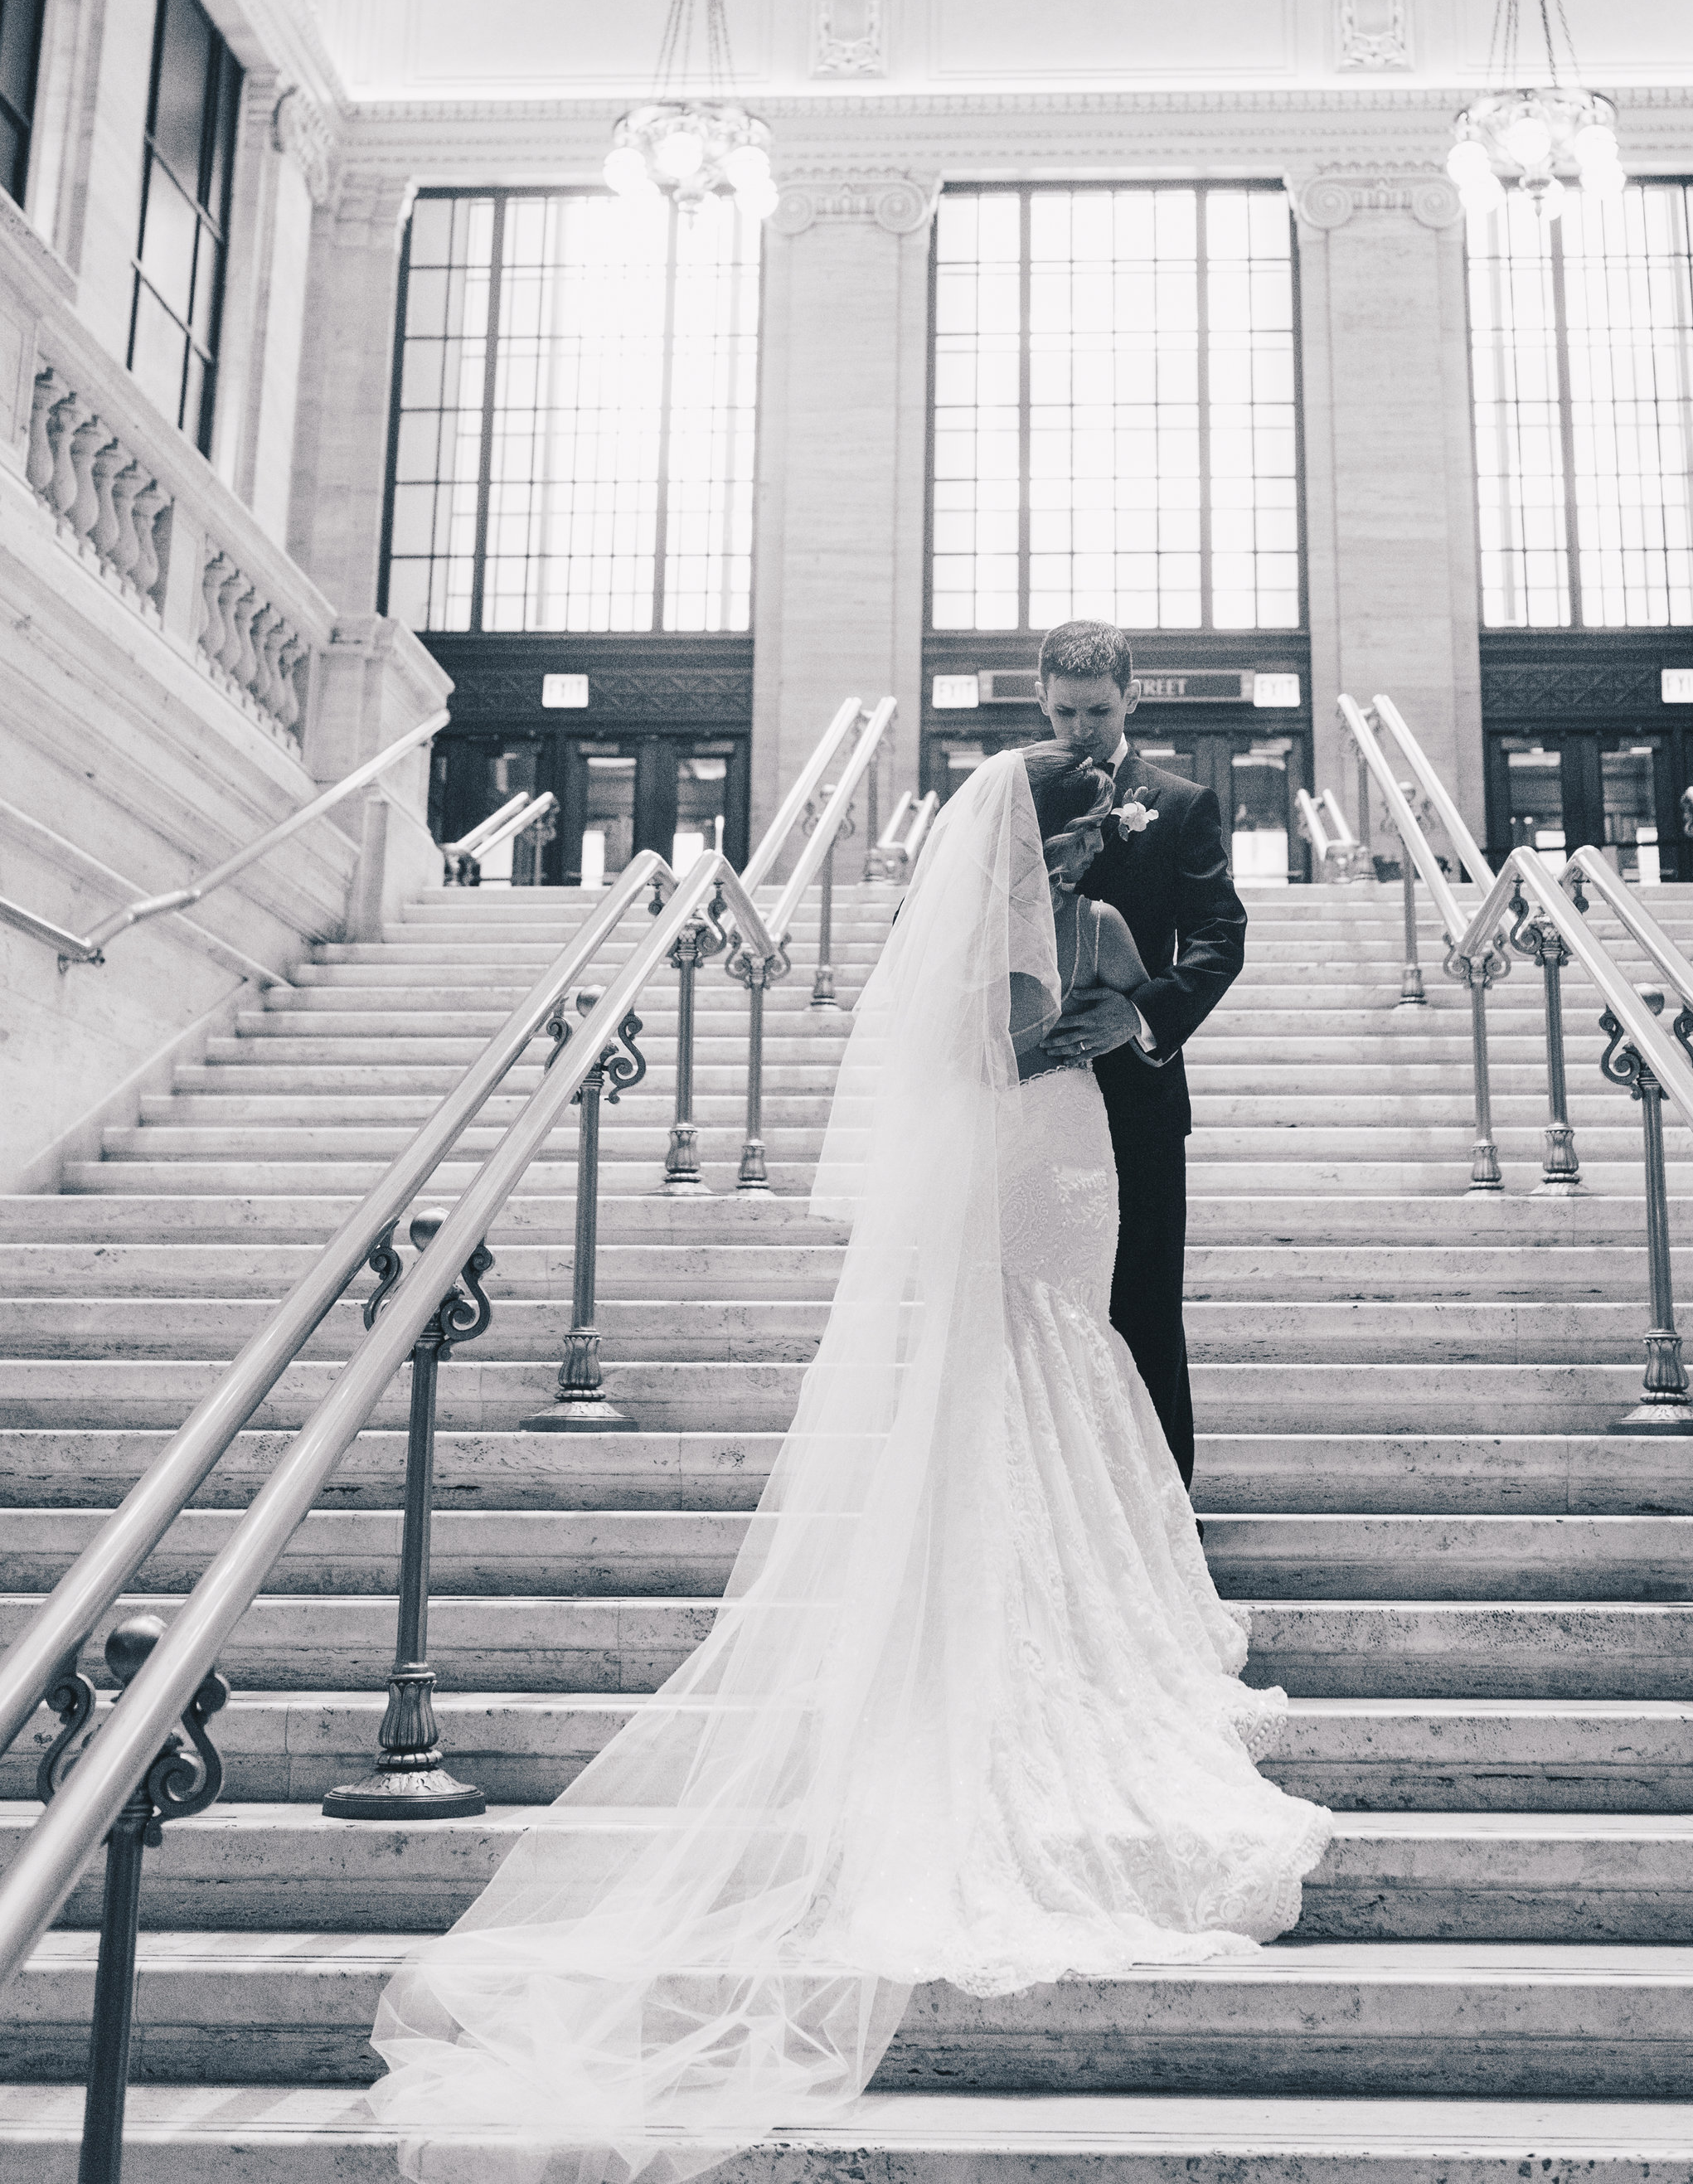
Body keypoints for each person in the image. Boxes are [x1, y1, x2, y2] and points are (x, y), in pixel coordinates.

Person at [368, 743, 1326, 2184]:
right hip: (1035, 1157)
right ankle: (1023, 1595)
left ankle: (1059, 1581)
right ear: (1044, 836)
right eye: (1067, 844)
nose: (1077, 857)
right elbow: (1015, 1039)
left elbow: (1105, 1019)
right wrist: (1077, 1024)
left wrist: (1097, 1024)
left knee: (1070, 1367)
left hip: (1069, 1162)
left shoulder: (1074, 920)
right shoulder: (1059, 929)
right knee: (1032, 1371)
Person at [1026, 620, 1247, 1484]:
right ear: (1039, 697)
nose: (1081, 730)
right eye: (1065, 711)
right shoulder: (1006, 795)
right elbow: (925, 927)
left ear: (1132, 699)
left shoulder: (1181, 803)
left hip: (1136, 1094)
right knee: (1035, 1305)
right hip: (1024, 1094)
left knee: (1143, 1300)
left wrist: (1141, 1016)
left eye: (1099, 712)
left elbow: (1216, 938)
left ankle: (1158, 1503)